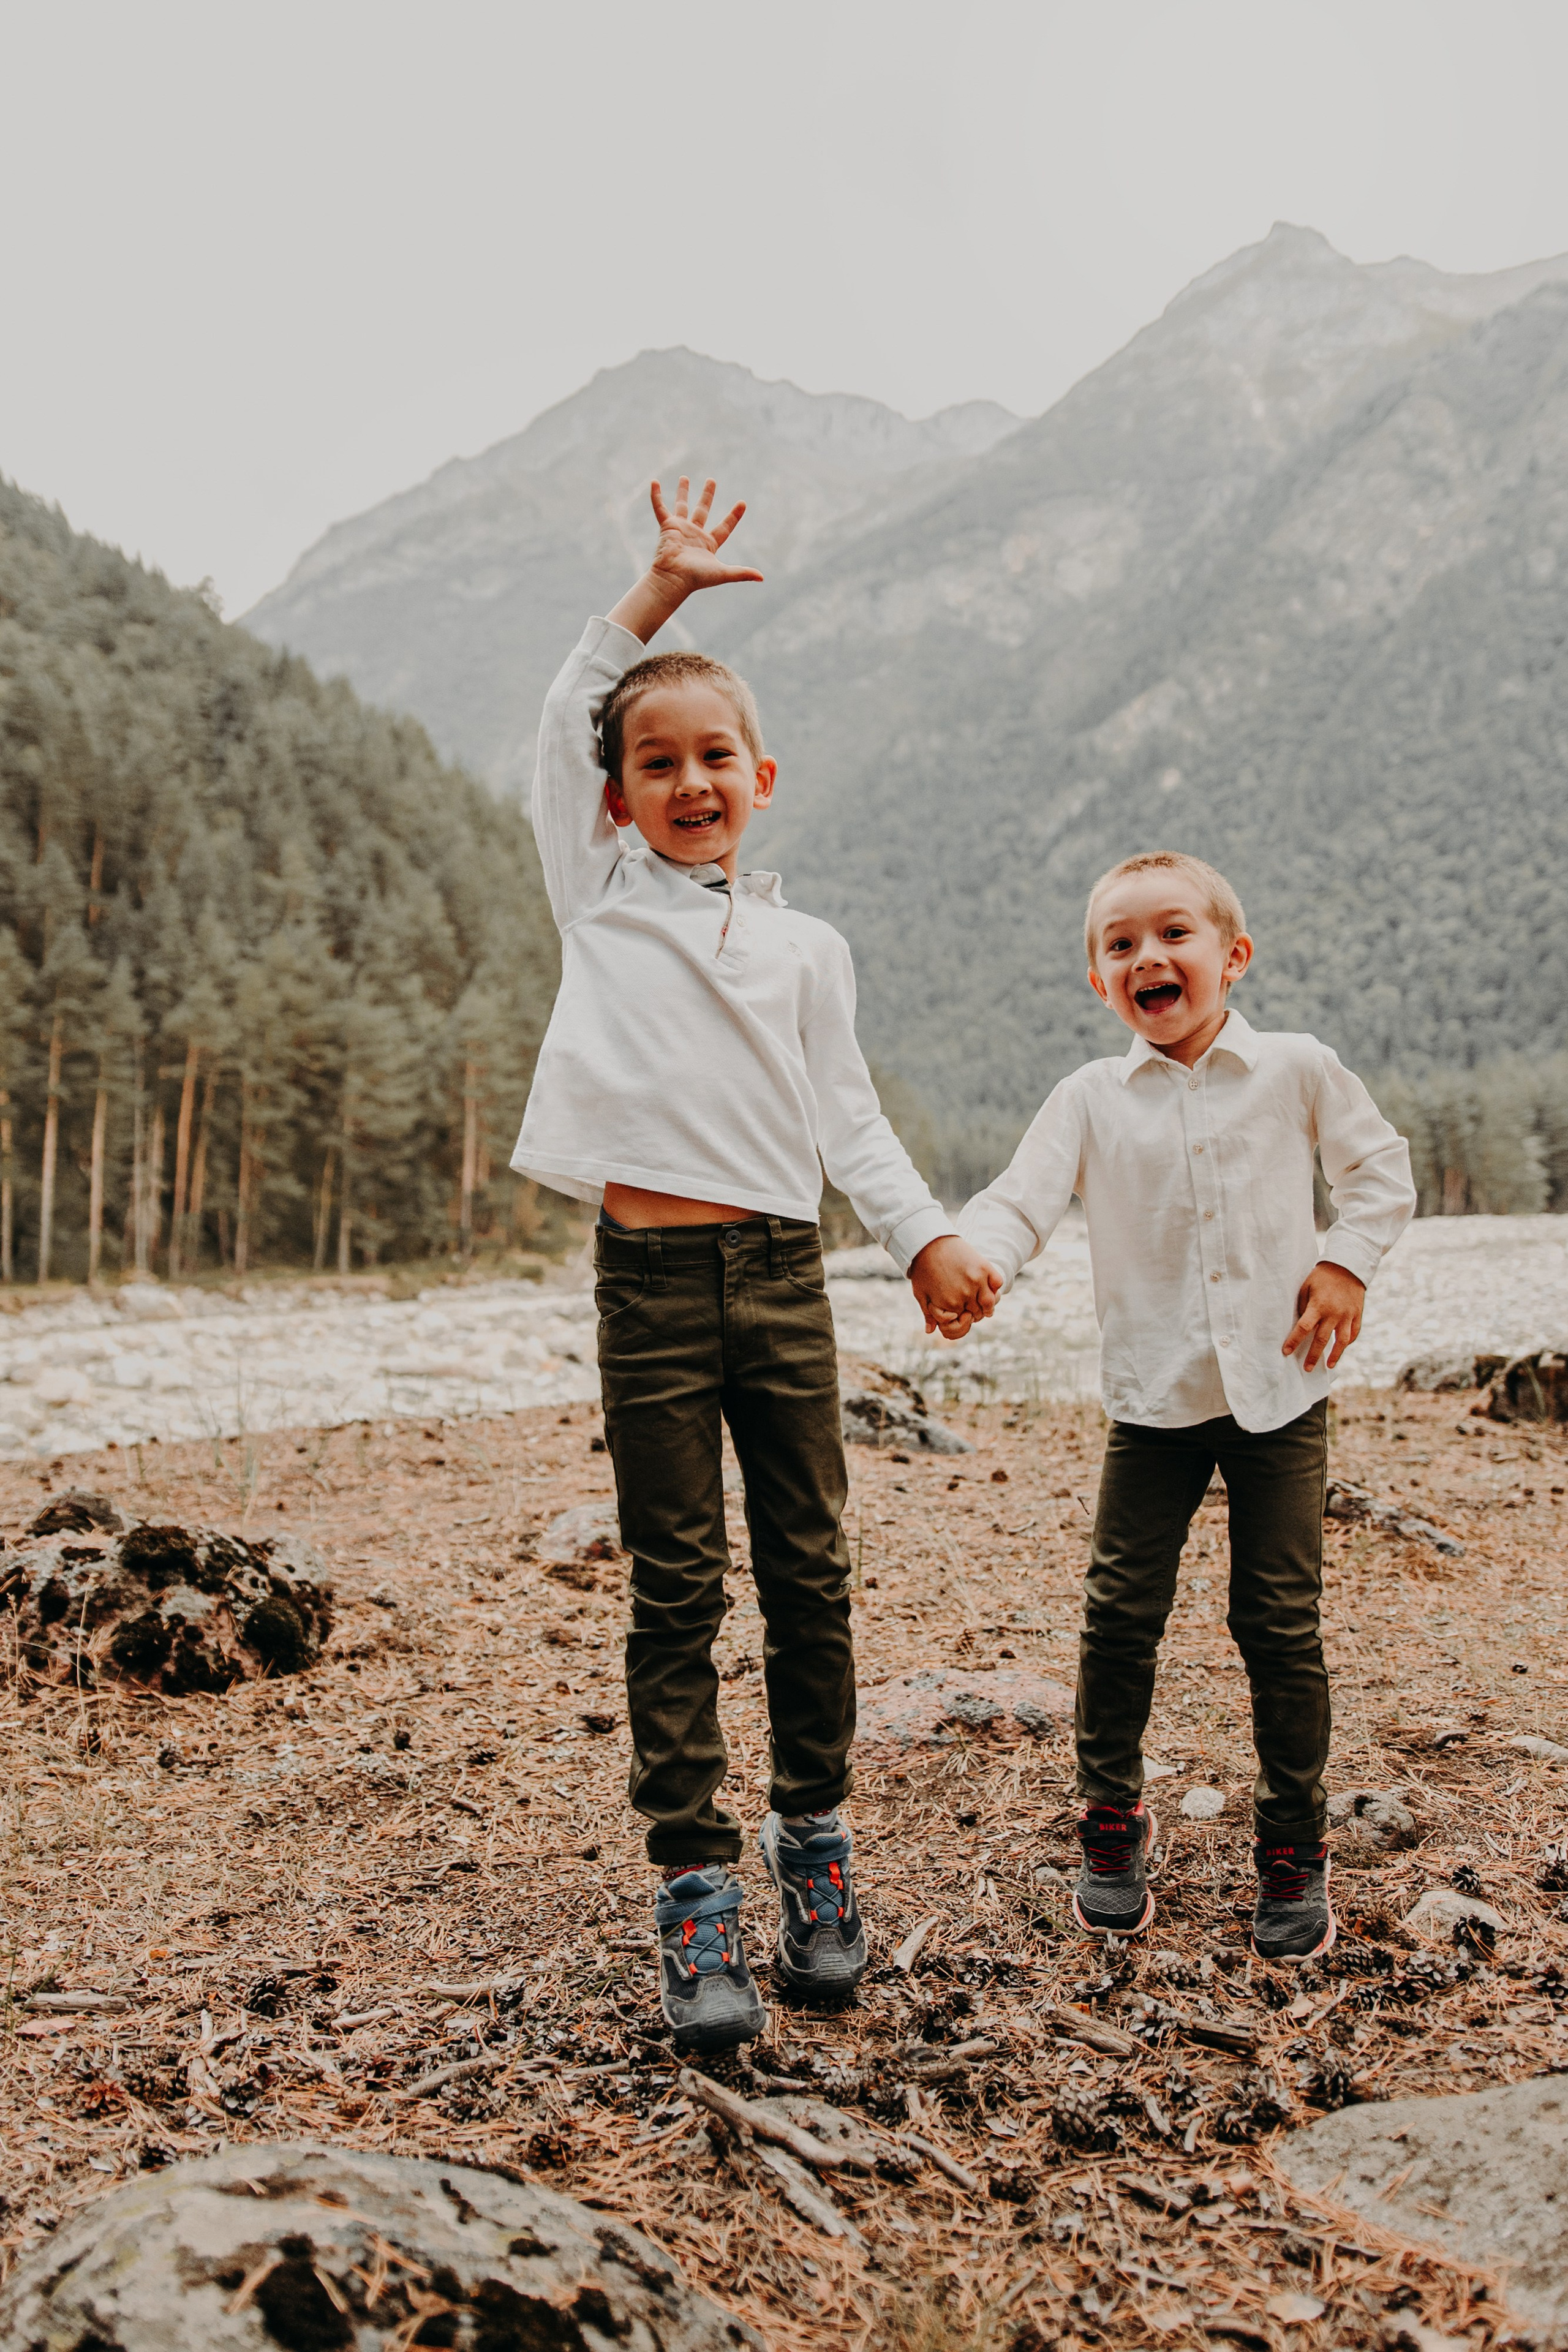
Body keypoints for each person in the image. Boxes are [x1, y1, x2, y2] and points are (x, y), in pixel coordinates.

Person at [513, 476, 998, 2050]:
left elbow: (846, 1120)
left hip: (784, 1282)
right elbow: (564, 712)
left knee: (808, 1576)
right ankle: (692, 1890)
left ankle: (815, 1851)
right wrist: (652, 598)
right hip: (648, 1290)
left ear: (762, 778)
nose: (688, 781)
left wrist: (922, 1234)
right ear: (616, 802)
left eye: (714, 757)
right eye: (655, 765)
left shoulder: (809, 951)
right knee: (675, 1586)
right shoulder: (597, 902)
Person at [957, 851, 1415, 1959]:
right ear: (1098, 980)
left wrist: (1347, 1264)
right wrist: (970, 1258)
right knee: (1119, 1615)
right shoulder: (1089, 1099)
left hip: (1281, 1395)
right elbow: (1020, 1201)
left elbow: (1380, 1172)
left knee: (1278, 1624)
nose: (1147, 957)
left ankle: (1294, 1846)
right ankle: (1112, 1822)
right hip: (1153, 1401)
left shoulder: (1296, 1068)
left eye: (1173, 935)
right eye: (1120, 945)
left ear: (1232, 957)